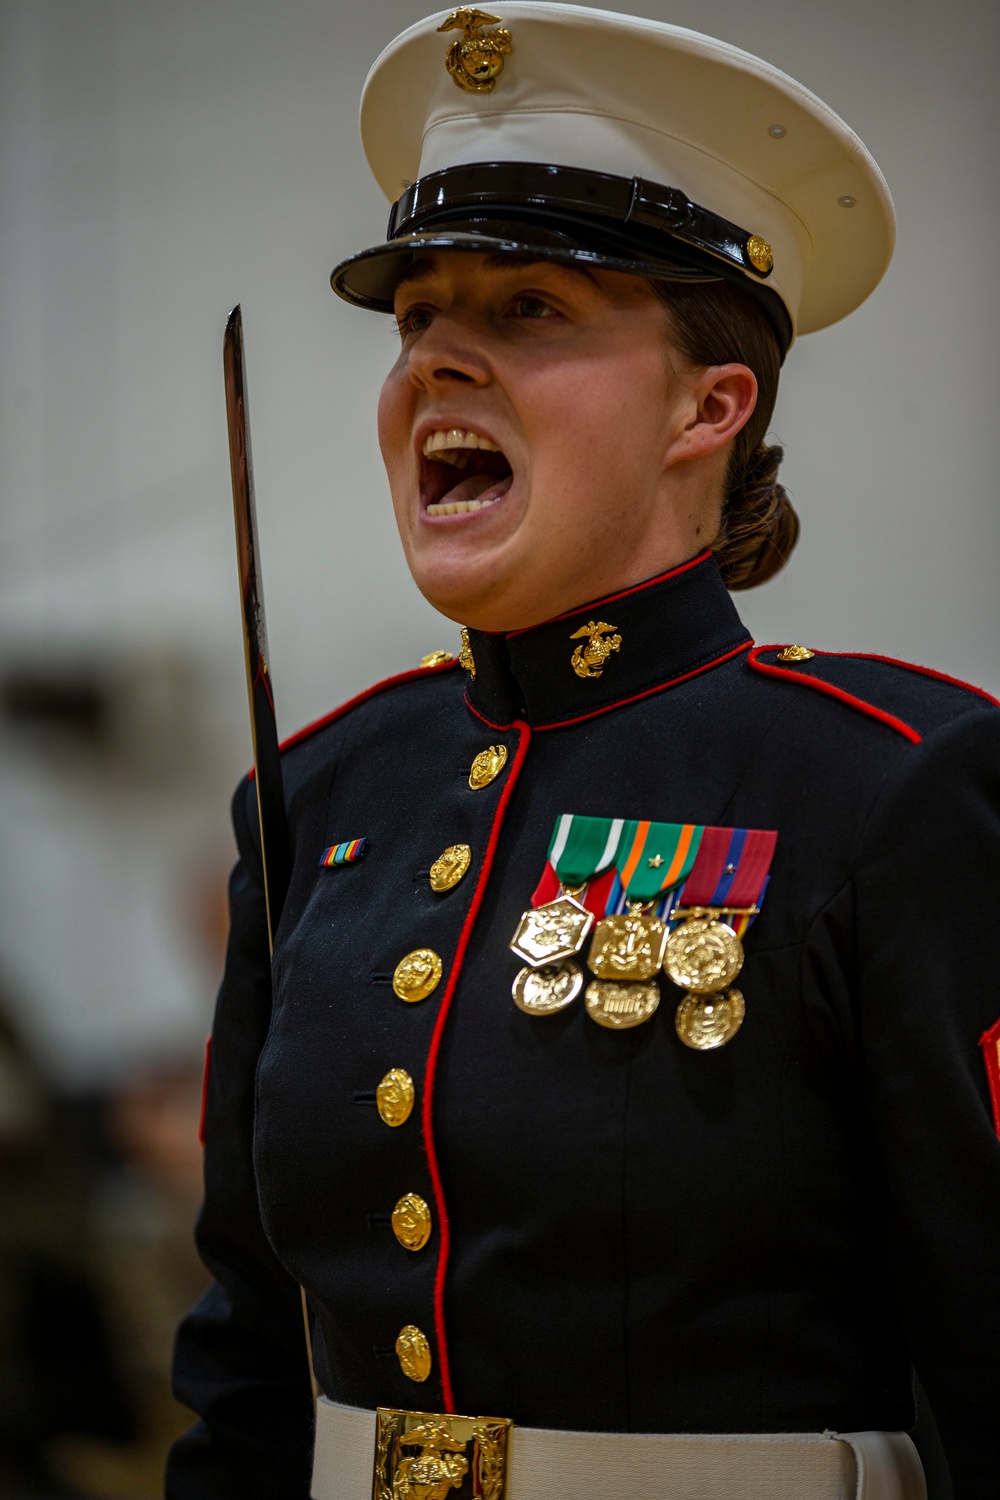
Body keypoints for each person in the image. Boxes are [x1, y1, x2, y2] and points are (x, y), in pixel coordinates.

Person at [167, 6, 1000, 1498]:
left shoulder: (892, 784)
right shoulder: (322, 796)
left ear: (711, 404)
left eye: (531, 311)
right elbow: (247, 1354)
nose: (438, 362)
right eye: (420, 316)